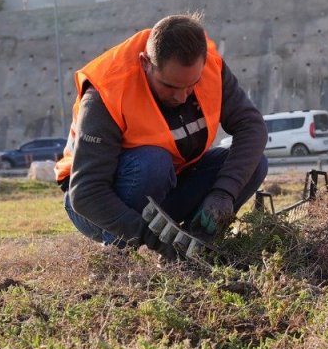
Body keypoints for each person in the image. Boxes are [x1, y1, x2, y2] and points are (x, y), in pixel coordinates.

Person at [56, 14, 269, 257]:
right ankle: (120, 253)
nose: (181, 97)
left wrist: (224, 192)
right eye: (169, 86)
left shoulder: (211, 67)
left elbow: (252, 127)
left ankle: (194, 251)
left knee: (254, 164)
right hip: (97, 207)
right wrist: (153, 239)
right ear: (145, 62)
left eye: (192, 84)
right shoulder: (107, 92)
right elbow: (86, 193)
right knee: (153, 162)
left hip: (169, 187)